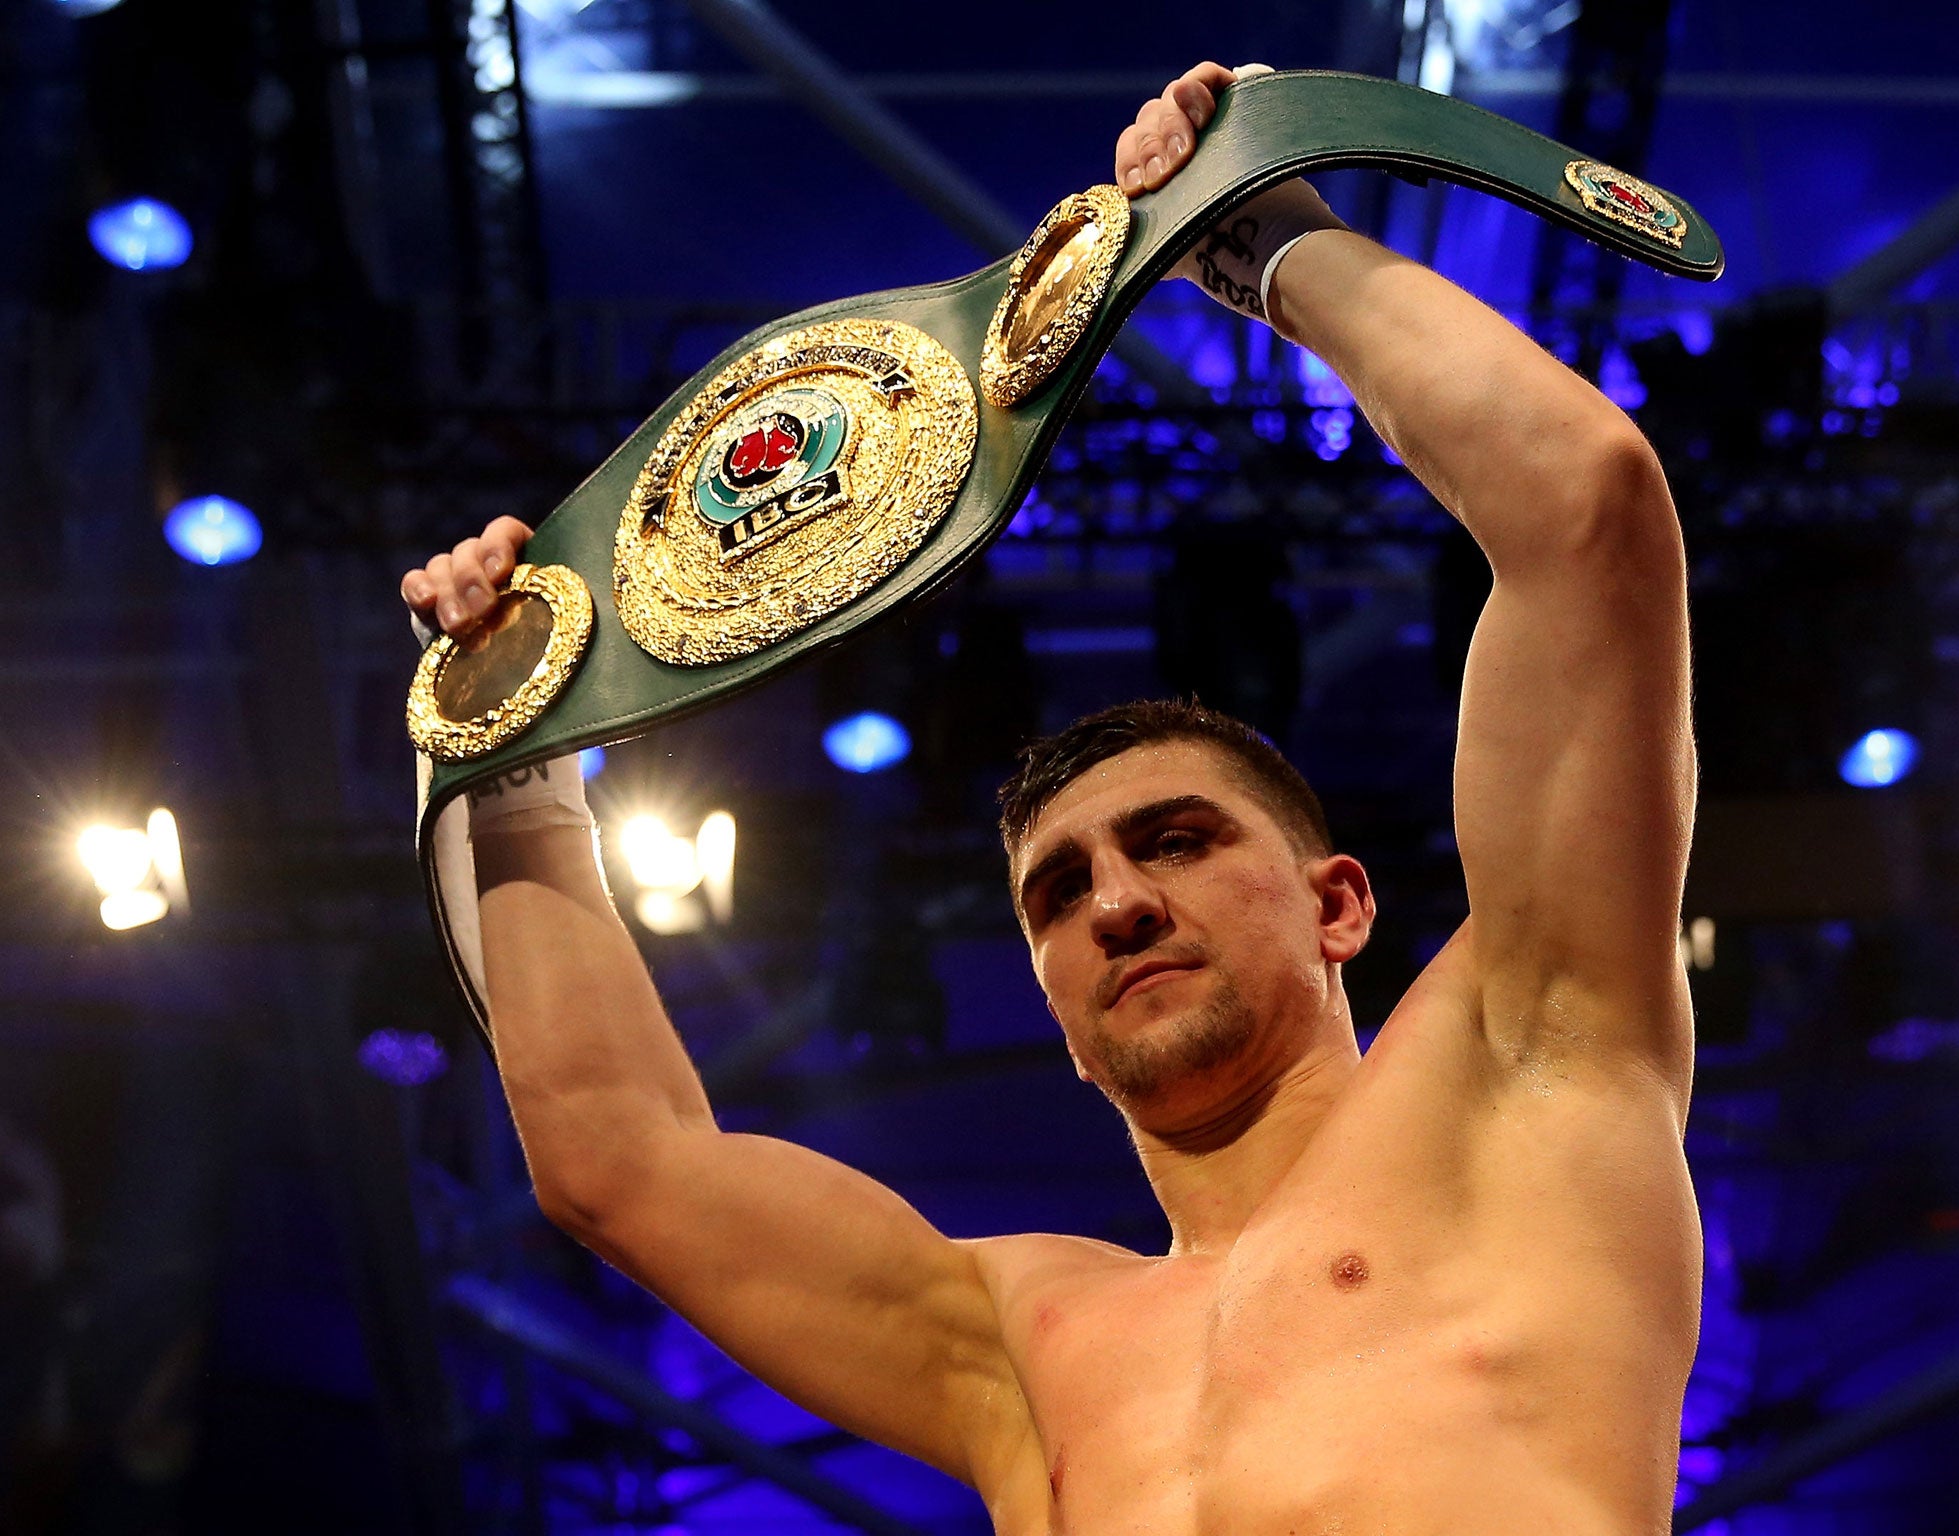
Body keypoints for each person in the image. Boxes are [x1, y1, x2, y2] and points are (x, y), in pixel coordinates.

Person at [402, 61, 1699, 1535]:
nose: (1119, 903)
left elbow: (1586, 512)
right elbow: (620, 1166)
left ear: (1341, 902)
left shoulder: (1529, 1072)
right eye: (1057, 892)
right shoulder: (1020, 1345)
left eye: (1177, 841)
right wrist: (514, 744)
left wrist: (1270, 241)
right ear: (1048, 1004)